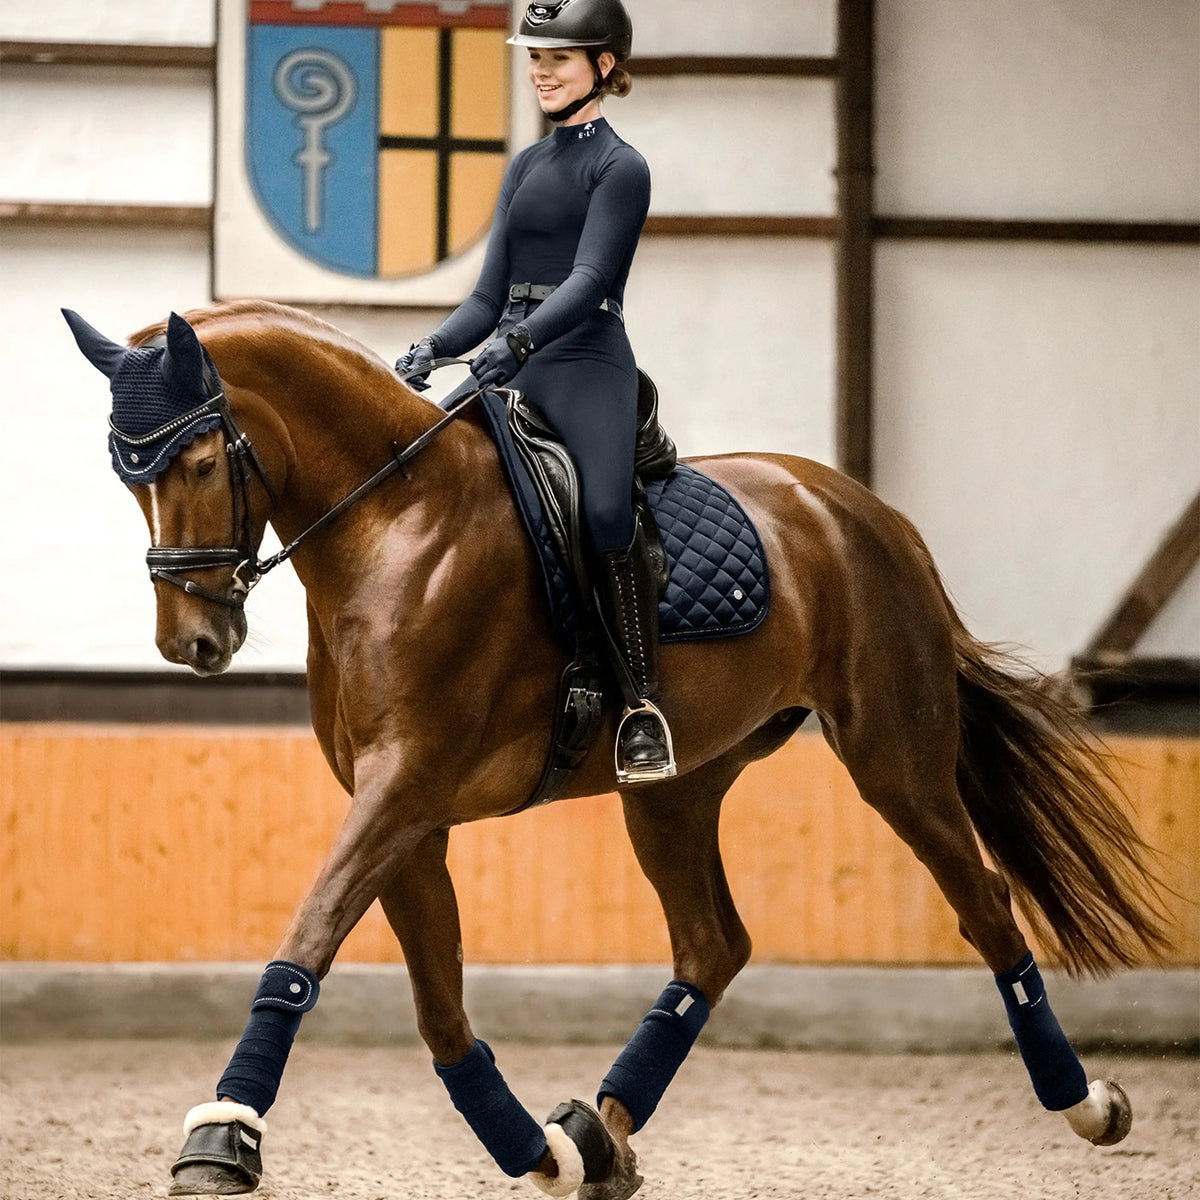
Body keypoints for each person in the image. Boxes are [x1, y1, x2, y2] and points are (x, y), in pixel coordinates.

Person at [397, 0, 676, 783]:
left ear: (605, 67)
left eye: (559, 58)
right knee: (423, 471)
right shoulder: (526, 165)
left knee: (606, 509)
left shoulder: (620, 167)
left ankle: (640, 705)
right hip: (508, 351)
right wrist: (434, 346)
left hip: (584, 357)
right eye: (535, 58)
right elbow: (488, 296)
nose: (541, 72)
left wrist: (518, 341)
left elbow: (589, 281)